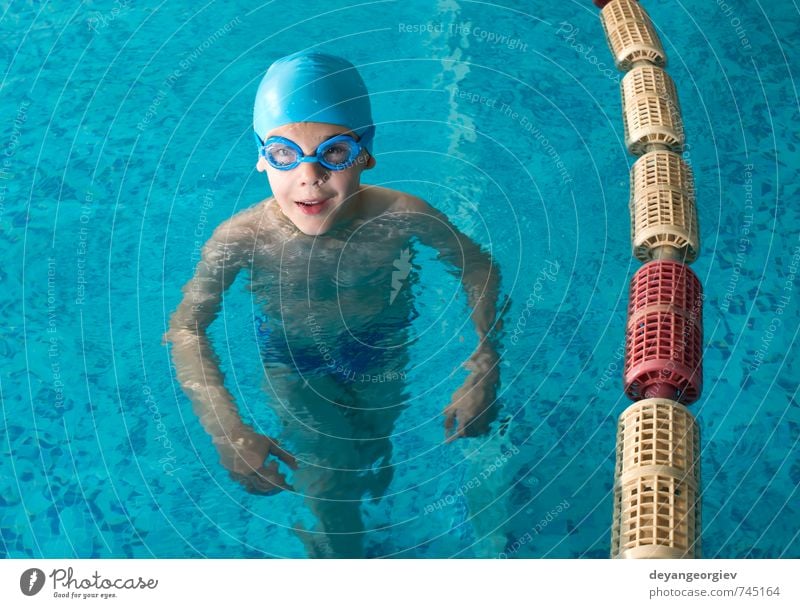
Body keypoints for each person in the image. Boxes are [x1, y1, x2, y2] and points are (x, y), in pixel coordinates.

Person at [164, 51, 504, 557]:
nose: (309, 176)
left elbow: (479, 267)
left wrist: (483, 365)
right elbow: (187, 329)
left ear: (365, 152)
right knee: (331, 483)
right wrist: (227, 430)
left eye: (334, 153)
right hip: (295, 362)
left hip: (383, 348)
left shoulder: (402, 215)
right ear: (260, 156)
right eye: (284, 154)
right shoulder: (241, 238)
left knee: (371, 452)